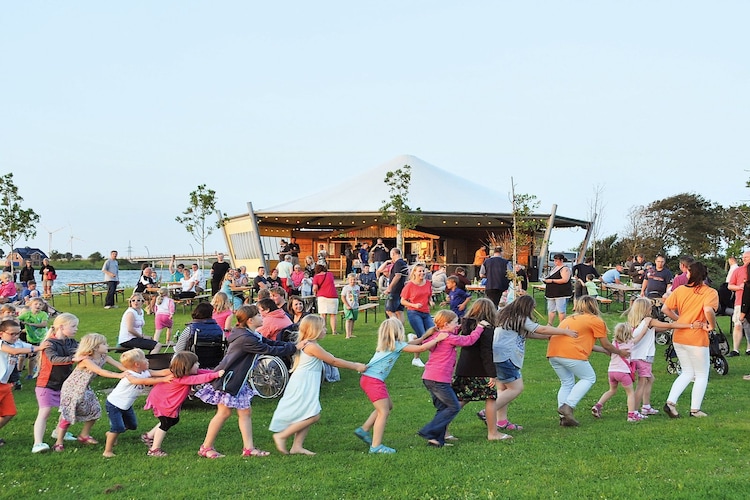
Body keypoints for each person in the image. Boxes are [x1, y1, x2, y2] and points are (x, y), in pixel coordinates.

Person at [196, 304, 301, 458]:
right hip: (229, 380)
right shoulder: (246, 338)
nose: (262, 317)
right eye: (259, 315)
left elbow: (269, 343)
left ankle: (249, 448)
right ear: (250, 320)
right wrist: (294, 348)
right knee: (223, 413)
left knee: (245, 412)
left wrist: (292, 346)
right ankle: (206, 447)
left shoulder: (250, 334)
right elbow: (269, 350)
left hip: (238, 379)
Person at [270, 315, 366, 455]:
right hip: (303, 383)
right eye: (323, 328)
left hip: (308, 382)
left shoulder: (310, 344)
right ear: (314, 330)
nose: (325, 330)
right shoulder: (311, 347)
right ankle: (282, 435)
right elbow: (333, 361)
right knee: (313, 415)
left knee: (308, 412)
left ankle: (297, 446)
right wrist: (356, 366)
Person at [355, 318, 449, 454]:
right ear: (398, 331)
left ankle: (364, 430)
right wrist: (437, 339)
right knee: (383, 411)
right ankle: (376, 446)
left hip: (370, 379)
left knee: (388, 406)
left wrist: (427, 336)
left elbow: (414, 343)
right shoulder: (397, 345)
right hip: (373, 381)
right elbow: (421, 348)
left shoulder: (389, 344)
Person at [489, 295, 577, 436]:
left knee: (503, 388)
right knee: (516, 388)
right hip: (507, 358)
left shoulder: (509, 317)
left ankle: (501, 421)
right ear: (526, 307)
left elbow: (532, 334)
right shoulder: (519, 318)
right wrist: (564, 331)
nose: (533, 310)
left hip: (498, 357)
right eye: (532, 308)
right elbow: (540, 329)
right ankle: (488, 412)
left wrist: (553, 335)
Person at [547, 296, 628, 426]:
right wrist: (619, 352)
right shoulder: (595, 320)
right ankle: (567, 407)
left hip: (553, 353)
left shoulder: (570, 318)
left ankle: (564, 417)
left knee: (566, 382)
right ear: (594, 306)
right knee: (589, 378)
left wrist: (603, 351)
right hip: (571, 354)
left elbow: (585, 343)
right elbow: (607, 344)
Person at [417, 310, 490, 448]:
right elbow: (468, 340)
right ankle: (429, 431)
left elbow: (454, 331)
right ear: (446, 324)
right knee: (453, 406)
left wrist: (462, 325)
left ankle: (436, 440)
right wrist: (480, 327)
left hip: (430, 378)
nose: (457, 325)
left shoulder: (439, 335)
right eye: (455, 322)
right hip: (438, 380)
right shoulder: (448, 337)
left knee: (442, 408)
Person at [51, 333, 126, 451]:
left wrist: (135, 371)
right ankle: (59, 441)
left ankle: (84, 435)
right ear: (95, 347)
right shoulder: (86, 360)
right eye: (104, 344)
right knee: (68, 414)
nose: (107, 345)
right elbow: (100, 371)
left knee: (95, 409)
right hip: (72, 389)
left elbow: (121, 366)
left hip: (85, 388)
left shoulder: (104, 357)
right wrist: (119, 376)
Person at [662, 261, 718, 418]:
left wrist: (679, 320)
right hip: (696, 338)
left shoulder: (680, 290)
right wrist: (711, 325)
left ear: (689, 274)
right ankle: (695, 409)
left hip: (679, 335)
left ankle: (671, 403)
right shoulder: (710, 292)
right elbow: (708, 310)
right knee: (701, 374)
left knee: (686, 372)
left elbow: (665, 308)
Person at [142, 352, 224, 457]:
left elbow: (202, 372)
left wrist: (215, 372)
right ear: (187, 367)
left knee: (172, 420)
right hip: (162, 402)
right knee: (165, 423)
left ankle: (149, 436)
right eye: (195, 363)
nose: (198, 364)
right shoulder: (181, 378)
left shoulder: (186, 373)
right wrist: (216, 375)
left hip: (164, 401)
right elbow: (198, 379)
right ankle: (154, 449)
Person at [102, 349, 173, 457]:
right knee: (118, 427)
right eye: (145, 358)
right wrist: (163, 380)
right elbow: (142, 381)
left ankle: (112, 434)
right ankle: (107, 451)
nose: (147, 360)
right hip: (114, 405)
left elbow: (162, 372)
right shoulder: (129, 375)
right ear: (137, 364)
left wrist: (177, 370)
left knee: (132, 425)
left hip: (126, 405)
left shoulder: (145, 372)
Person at [627, 297, 691, 416]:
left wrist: (673, 325)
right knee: (642, 383)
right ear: (645, 309)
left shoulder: (634, 322)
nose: (652, 309)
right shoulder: (649, 321)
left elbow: (660, 328)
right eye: (650, 307)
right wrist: (689, 325)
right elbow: (668, 325)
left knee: (650, 379)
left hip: (635, 356)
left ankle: (646, 406)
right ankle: (634, 411)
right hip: (644, 357)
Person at [452, 298, 505, 440]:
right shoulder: (486, 328)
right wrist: (492, 374)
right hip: (480, 370)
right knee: (491, 399)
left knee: (460, 400)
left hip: (463, 367)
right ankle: (493, 433)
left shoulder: (465, 325)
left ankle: (441, 429)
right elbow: (486, 352)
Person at [32, 313, 80, 453]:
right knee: (45, 412)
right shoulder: (49, 344)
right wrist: (74, 359)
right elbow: (54, 359)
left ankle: (58, 431)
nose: (76, 329)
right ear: (61, 327)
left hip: (64, 383)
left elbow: (83, 349)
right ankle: (38, 443)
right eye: (73, 326)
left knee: (66, 410)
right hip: (46, 384)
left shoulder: (71, 342)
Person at [0, 319, 51, 447]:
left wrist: (47, 342)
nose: (16, 337)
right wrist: (39, 347)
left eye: (17, 333)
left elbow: (32, 347)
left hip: (5, 384)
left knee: (9, 413)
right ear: (1, 333)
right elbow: (13, 352)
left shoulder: (18, 343)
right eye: (12, 334)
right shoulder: (1, 343)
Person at [591, 323, 651, 422]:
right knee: (630, 393)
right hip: (623, 372)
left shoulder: (614, 344)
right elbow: (639, 337)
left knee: (612, 390)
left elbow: (608, 351)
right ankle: (631, 415)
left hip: (612, 371)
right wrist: (645, 327)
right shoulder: (630, 343)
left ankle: (598, 405)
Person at [401, 263, 434, 367]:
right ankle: (416, 359)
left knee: (432, 334)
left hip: (426, 312)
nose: (422, 273)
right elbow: (402, 301)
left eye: (423, 271)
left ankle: (413, 337)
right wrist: (413, 305)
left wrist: (430, 301)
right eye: (419, 271)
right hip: (413, 312)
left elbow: (429, 296)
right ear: (414, 272)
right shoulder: (409, 285)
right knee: (422, 336)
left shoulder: (428, 283)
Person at [18, 297, 48, 379]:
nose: (38, 306)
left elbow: (44, 324)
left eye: (40, 304)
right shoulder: (27, 314)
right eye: (36, 304)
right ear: (31, 305)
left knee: (34, 357)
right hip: (30, 339)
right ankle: (27, 373)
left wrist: (30, 324)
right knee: (30, 357)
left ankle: (32, 373)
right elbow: (16, 320)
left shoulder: (43, 314)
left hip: (41, 339)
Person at [727, 251, 750, 357]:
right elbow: (730, 286)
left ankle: (749, 348)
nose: (744, 259)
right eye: (743, 257)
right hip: (739, 302)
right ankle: (735, 349)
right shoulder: (737, 271)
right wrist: (740, 287)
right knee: (737, 324)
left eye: (746, 257)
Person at [543, 254, 573, 325]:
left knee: (561, 310)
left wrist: (552, 281)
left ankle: (562, 325)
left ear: (561, 260)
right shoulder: (554, 268)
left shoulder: (565, 269)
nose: (555, 262)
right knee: (551, 309)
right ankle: (550, 324)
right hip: (551, 292)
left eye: (557, 260)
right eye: (554, 260)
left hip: (560, 293)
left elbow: (565, 280)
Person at [312, 264, 338, 336]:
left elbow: (315, 288)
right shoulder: (330, 274)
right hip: (333, 296)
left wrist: (315, 292)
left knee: (323, 315)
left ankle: (324, 330)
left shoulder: (316, 277)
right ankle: (334, 331)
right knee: (333, 315)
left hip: (322, 296)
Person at [384, 248, 408, 322]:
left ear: (393, 254)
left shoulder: (398, 263)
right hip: (402, 289)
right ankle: (401, 331)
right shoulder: (404, 263)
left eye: (391, 255)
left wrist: (390, 287)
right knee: (399, 311)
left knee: (389, 311)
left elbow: (398, 275)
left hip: (395, 290)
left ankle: (395, 327)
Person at [341, 273, 360, 339]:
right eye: (351, 280)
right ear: (348, 280)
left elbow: (358, 296)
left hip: (355, 305)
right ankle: (347, 334)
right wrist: (347, 305)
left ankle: (351, 333)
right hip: (348, 305)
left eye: (354, 280)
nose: (353, 281)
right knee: (348, 319)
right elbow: (343, 297)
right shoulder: (346, 288)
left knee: (353, 319)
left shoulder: (357, 287)